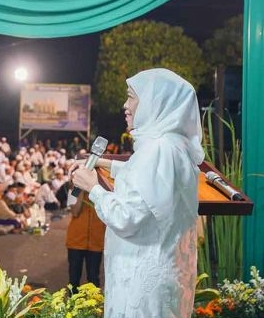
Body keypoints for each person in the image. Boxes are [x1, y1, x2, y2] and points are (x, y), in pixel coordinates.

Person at [71, 68, 203, 318]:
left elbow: (127, 216)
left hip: (141, 289)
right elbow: (147, 183)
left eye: (131, 96)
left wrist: (93, 187)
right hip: (163, 277)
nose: (125, 105)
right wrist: (106, 164)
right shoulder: (174, 146)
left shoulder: (157, 150)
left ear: (156, 103)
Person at [65, 188, 106, 292]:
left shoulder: (101, 190)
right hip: (76, 241)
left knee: (93, 279)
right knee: (74, 279)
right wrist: (81, 190)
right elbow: (75, 211)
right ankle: (72, 306)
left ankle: (93, 306)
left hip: (96, 240)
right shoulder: (74, 190)